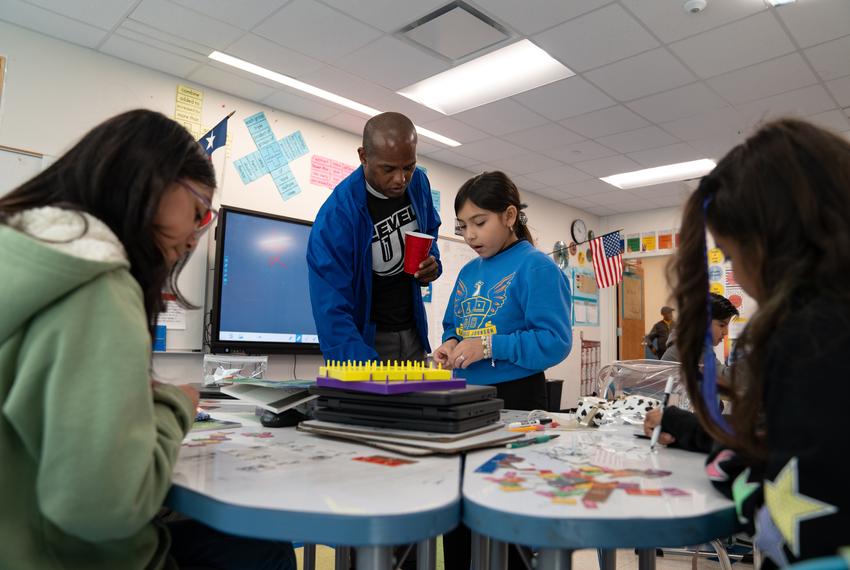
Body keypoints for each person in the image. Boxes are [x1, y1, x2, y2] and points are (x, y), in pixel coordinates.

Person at [0, 110, 295, 570]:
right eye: (198, 211)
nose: (198, 236)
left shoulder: (21, 250)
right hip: (65, 555)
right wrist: (174, 406)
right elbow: (104, 509)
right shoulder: (98, 284)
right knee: (263, 547)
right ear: (151, 180)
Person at [670, 118, 850, 568]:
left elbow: (793, 510)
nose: (744, 283)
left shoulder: (808, 338)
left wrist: (722, 460)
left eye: (731, 257)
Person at [434, 171, 572, 569]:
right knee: (458, 515)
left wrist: (491, 346)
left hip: (515, 400)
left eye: (480, 223)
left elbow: (554, 340)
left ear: (510, 216)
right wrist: (450, 344)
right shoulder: (468, 272)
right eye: (463, 227)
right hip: (463, 402)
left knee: (504, 516)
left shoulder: (536, 268)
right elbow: (453, 326)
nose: (470, 236)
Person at [307, 112, 441, 363]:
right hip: (366, 340)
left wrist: (432, 262)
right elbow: (330, 304)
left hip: (413, 334)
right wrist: (357, 364)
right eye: (388, 169)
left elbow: (430, 230)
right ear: (363, 156)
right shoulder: (337, 215)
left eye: (408, 167)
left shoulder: (418, 182)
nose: (401, 179)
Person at [643, 293, 739, 452]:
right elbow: (728, 379)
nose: (726, 332)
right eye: (722, 325)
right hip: (672, 424)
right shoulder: (693, 349)